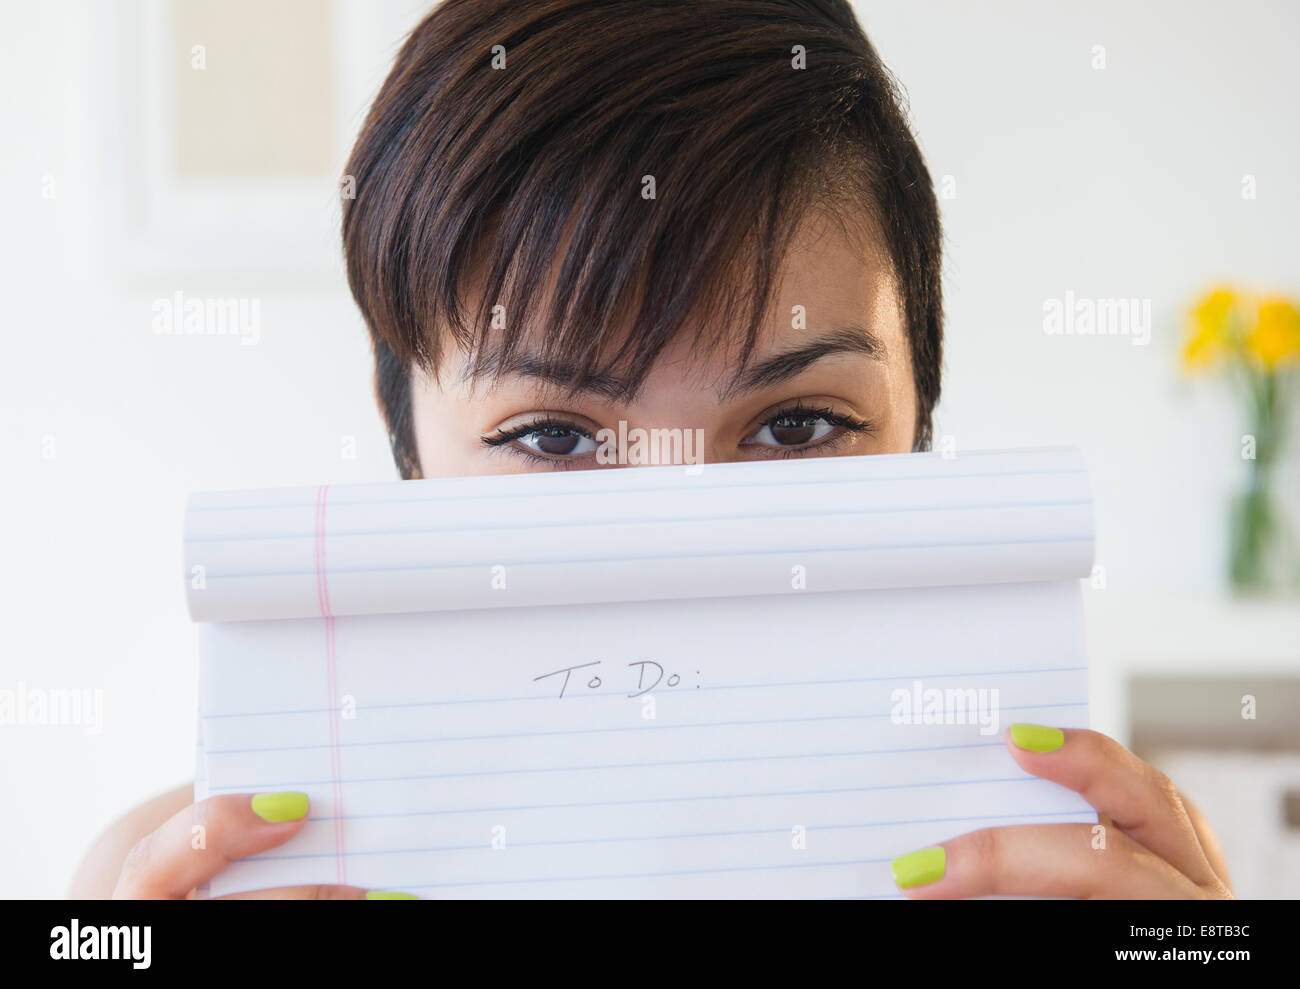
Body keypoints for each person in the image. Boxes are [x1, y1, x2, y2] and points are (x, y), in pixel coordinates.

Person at [70, 0, 1231, 899]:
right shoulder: (145, 892)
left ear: (923, 423)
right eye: (554, 436)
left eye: (798, 425)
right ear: (406, 456)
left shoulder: (1101, 878)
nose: (683, 549)